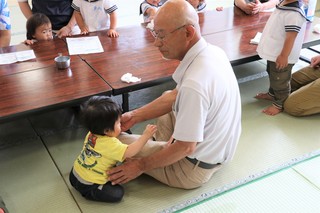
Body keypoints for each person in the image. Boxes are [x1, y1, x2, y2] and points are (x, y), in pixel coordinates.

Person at [108, 0, 241, 190]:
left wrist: (140, 166)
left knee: (117, 142)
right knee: (169, 95)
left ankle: (158, 149)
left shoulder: (195, 85)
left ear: (188, 33)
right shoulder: (214, 52)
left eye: (161, 35)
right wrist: (134, 116)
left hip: (192, 169)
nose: (156, 42)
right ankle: (160, 145)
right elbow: (175, 96)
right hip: (220, 150)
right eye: (155, 33)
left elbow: (186, 148)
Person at [69, 96, 157, 202]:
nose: (121, 124)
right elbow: (130, 151)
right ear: (106, 130)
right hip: (90, 185)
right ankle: (91, 192)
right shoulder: (111, 144)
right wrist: (145, 136)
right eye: (118, 123)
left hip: (74, 175)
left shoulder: (91, 134)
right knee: (118, 193)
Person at [255, 0, 307, 116]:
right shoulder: (284, 3)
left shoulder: (294, 13)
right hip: (275, 52)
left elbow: (291, 37)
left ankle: (279, 104)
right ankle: (272, 94)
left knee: (280, 80)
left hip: (282, 55)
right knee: (272, 73)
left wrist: (284, 56)